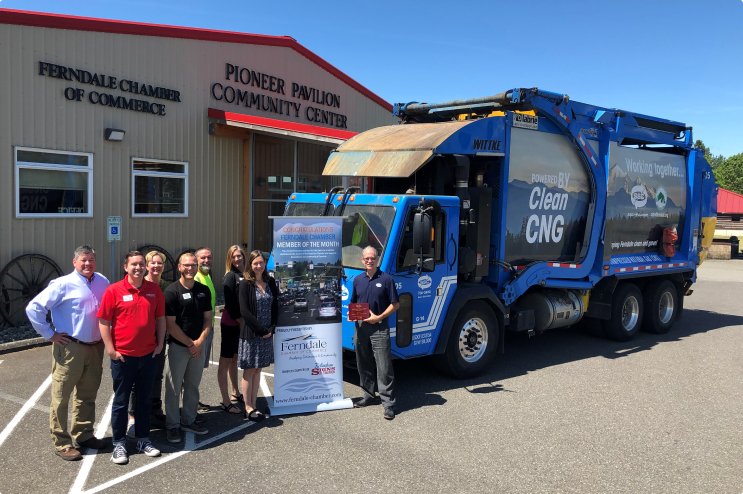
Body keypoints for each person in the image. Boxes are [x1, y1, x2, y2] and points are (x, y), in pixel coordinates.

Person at [26, 245, 110, 461]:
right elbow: (34, 308)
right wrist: (49, 334)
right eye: (83, 260)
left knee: (87, 394)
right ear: (74, 262)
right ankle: (62, 442)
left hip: (96, 347)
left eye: (91, 260)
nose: (87, 264)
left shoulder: (102, 281)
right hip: (70, 347)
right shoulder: (62, 284)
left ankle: (84, 435)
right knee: (61, 397)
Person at [98, 251, 165, 465]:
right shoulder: (113, 290)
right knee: (121, 401)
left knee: (144, 400)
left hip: (148, 355)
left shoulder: (154, 289)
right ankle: (118, 443)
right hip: (123, 357)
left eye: (140, 264)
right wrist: (111, 349)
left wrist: (160, 344)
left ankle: (142, 439)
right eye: (133, 264)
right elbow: (103, 322)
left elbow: (161, 318)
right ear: (126, 267)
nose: (138, 268)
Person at [163, 253, 213, 443]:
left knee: (192, 386)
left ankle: (189, 420)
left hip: (198, 347)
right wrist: (191, 344)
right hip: (179, 347)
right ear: (179, 267)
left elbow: (208, 319)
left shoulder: (203, 290)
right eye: (186, 265)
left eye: (193, 265)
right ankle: (173, 425)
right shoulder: (171, 292)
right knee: (174, 388)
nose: (190, 268)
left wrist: (200, 341)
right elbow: (171, 325)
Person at [350, 246, 400, 420]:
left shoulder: (386, 279)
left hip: (379, 327)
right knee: (363, 362)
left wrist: (379, 317)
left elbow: (395, 304)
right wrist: (352, 316)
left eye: (373, 258)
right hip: (361, 328)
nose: (369, 261)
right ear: (362, 260)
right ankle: (369, 395)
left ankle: (388, 404)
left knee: (384, 365)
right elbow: (354, 304)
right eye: (366, 258)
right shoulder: (357, 280)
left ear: (377, 259)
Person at [126, 250, 170, 435]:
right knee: (137, 379)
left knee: (157, 375)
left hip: (158, 339)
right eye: (153, 263)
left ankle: (154, 408)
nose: (156, 266)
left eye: (160, 263)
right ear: (147, 265)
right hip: (139, 341)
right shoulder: (140, 285)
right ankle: (133, 414)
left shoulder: (167, 286)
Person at [238, 250, 278, 421]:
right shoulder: (245, 284)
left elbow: (276, 305)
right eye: (255, 263)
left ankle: (255, 404)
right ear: (250, 265)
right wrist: (261, 330)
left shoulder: (270, 282)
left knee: (258, 369)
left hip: (267, 333)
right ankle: (248, 407)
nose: (259, 266)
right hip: (252, 334)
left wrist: (272, 328)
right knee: (249, 370)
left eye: (261, 262)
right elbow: (245, 312)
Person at [219, 245, 246, 414]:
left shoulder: (246, 274)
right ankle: (225, 401)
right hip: (231, 323)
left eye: (240, 256)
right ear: (230, 259)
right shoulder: (229, 277)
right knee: (225, 361)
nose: (237, 259)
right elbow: (229, 303)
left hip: (242, 323)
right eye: (234, 256)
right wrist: (240, 321)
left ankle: (235, 392)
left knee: (235, 359)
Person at [194, 247, 216, 413]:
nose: (206, 261)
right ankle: (189, 406)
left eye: (209, 257)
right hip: (199, 330)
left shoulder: (207, 277)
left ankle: (192, 402)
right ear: (196, 260)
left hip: (207, 328)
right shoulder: (197, 278)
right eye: (203, 258)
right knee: (193, 370)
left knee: (198, 369)